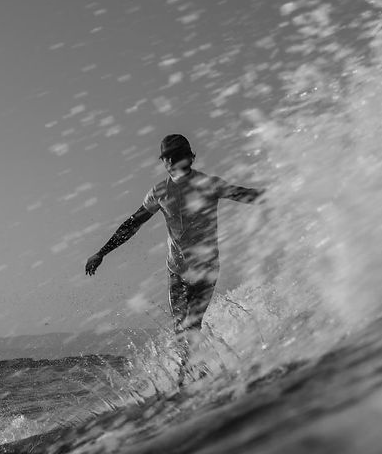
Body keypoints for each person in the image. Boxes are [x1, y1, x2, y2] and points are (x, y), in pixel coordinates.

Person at [85, 134, 264, 362]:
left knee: (192, 325)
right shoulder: (160, 192)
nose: (170, 161)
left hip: (206, 269)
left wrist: (282, 192)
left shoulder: (208, 184)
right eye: (166, 157)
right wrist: (102, 252)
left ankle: (197, 369)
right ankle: (190, 371)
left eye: (175, 155)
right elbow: (131, 225)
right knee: (180, 330)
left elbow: (244, 194)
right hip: (176, 271)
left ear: (189, 156)